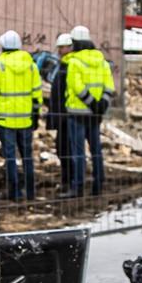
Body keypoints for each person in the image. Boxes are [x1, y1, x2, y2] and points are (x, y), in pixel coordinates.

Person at [0, 30, 43, 203]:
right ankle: (30, 192)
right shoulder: (31, 65)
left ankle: (14, 192)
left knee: (10, 157)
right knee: (27, 156)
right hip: (25, 119)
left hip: (5, 120)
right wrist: (36, 114)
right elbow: (37, 92)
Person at [63, 25, 115, 198]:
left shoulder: (74, 62)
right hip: (95, 114)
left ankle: (77, 187)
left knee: (78, 152)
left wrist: (90, 102)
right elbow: (109, 85)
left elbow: (76, 86)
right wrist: (101, 104)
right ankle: (98, 184)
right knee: (96, 151)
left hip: (77, 114)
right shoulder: (102, 61)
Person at [48, 32, 74, 194]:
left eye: (62, 47)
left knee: (67, 150)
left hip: (67, 114)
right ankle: (67, 180)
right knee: (62, 149)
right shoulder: (63, 64)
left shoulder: (70, 65)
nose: (59, 50)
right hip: (62, 114)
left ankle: (70, 182)